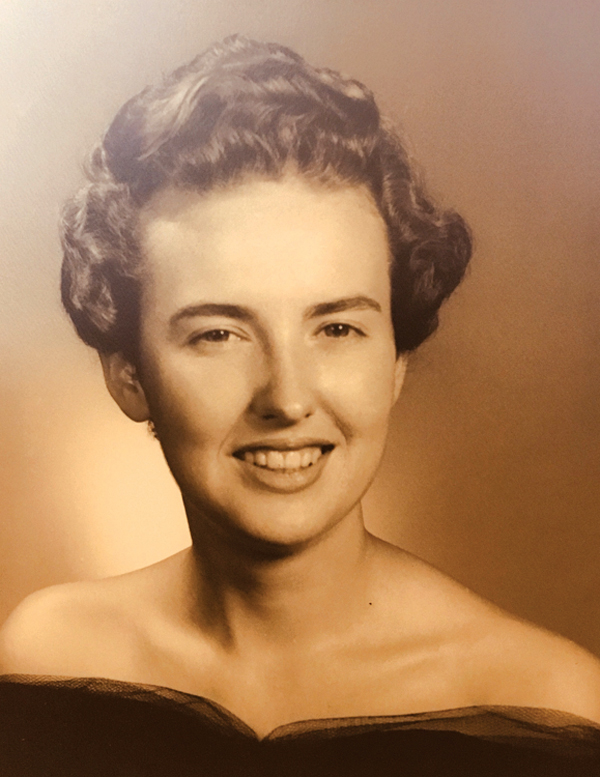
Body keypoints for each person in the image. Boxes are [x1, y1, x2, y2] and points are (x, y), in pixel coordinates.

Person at [1, 34, 599, 775]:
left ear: (396, 362)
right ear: (127, 375)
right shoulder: (47, 660)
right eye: (219, 334)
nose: (286, 397)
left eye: (337, 328)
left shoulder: (548, 704)